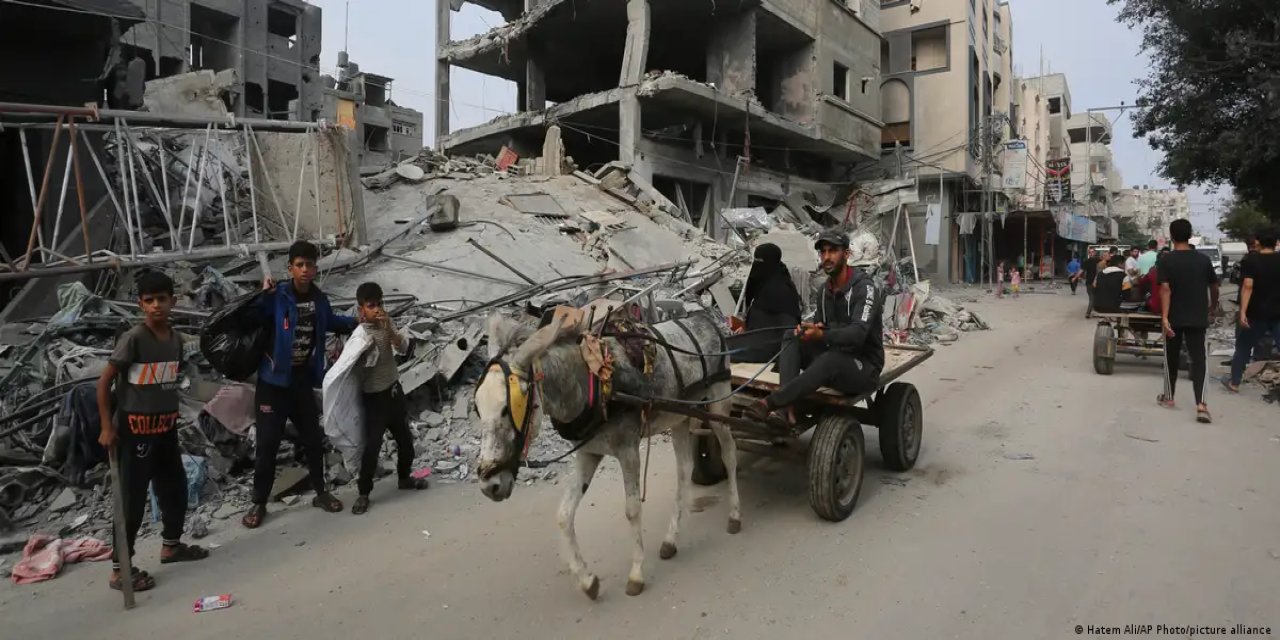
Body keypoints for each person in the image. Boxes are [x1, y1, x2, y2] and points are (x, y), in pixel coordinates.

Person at [96, 271, 209, 593]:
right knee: (131, 501)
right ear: (140, 304)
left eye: (162, 299)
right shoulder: (134, 339)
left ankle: (171, 546)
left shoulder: (174, 340)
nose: (157, 305)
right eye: (149, 300)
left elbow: (167, 382)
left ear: (173, 301)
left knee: (174, 489)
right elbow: (104, 384)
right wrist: (107, 426)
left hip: (165, 429)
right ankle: (121, 570)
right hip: (134, 433)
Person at [242, 241, 357, 529]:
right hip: (272, 383)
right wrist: (261, 295)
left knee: (314, 439)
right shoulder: (277, 296)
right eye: (299, 265)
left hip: (301, 381)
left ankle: (321, 492)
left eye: (310, 265)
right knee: (267, 444)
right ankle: (258, 503)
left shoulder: (319, 299)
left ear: (316, 267)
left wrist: (358, 321)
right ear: (290, 268)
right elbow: (251, 317)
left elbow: (331, 321)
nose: (305, 270)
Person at [744, 230, 884, 425]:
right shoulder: (824, 291)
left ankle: (770, 403)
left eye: (833, 251)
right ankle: (786, 410)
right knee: (791, 335)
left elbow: (858, 334)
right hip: (833, 357)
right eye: (823, 252)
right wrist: (812, 329)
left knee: (831, 360)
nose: (826, 257)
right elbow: (823, 326)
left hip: (863, 366)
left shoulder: (864, 288)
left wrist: (822, 335)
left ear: (846, 254)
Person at [350, 283, 428, 515]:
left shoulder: (387, 324)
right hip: (373, 399)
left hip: (393, 391)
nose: (377, 309)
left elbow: (404, 348)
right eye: (371, 306)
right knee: (372, 447)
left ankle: (404, 477)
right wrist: (369, 347)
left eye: (380, 304)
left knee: (405, 440)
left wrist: (390, 332)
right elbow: (357, 368)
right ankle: (364, 493)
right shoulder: (359, 336)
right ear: (361, 309)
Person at [1158, 219, 1220, 423]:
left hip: (1174, 318)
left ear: (1172, 236)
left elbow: (1165, 289)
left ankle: (1168, 397)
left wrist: (1165, 317)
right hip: (1197, 318)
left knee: (1171, 359)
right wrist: (1212, 307)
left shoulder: (1167, 260)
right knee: (1199, 360)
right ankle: (1201, 406)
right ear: (1190, 234)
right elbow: (1214, 286)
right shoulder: (1203, 260)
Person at [1225, 227, 1280, 393]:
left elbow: (1248, 286)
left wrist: (1242, 311)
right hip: (1278, 313)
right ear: (1276, 242)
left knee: (1243, 347)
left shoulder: (1251, 260)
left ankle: (1234, 383)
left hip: (1256, 313)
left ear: (1257, 242)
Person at [732, 243, 803, 363]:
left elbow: (786, 330)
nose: (757, 265)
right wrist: (746, 329)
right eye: (756, 260)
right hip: (755, 341)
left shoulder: (782, 291)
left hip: (771, 350)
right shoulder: (763, 284)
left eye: (761, 261)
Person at [1082, 248, 1101, 317]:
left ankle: (1090, 312)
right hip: (1089, 282)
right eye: (1090, 252)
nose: (1091, 253)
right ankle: (1089, 312)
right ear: (1088, 254)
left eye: (1092, 252)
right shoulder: (1087, 261)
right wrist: (1075, 277)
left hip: (1098, 282)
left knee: (1093, 298)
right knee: (1092, 297)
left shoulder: (1099, 261)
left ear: (1095, 253)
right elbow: (1082, 270)